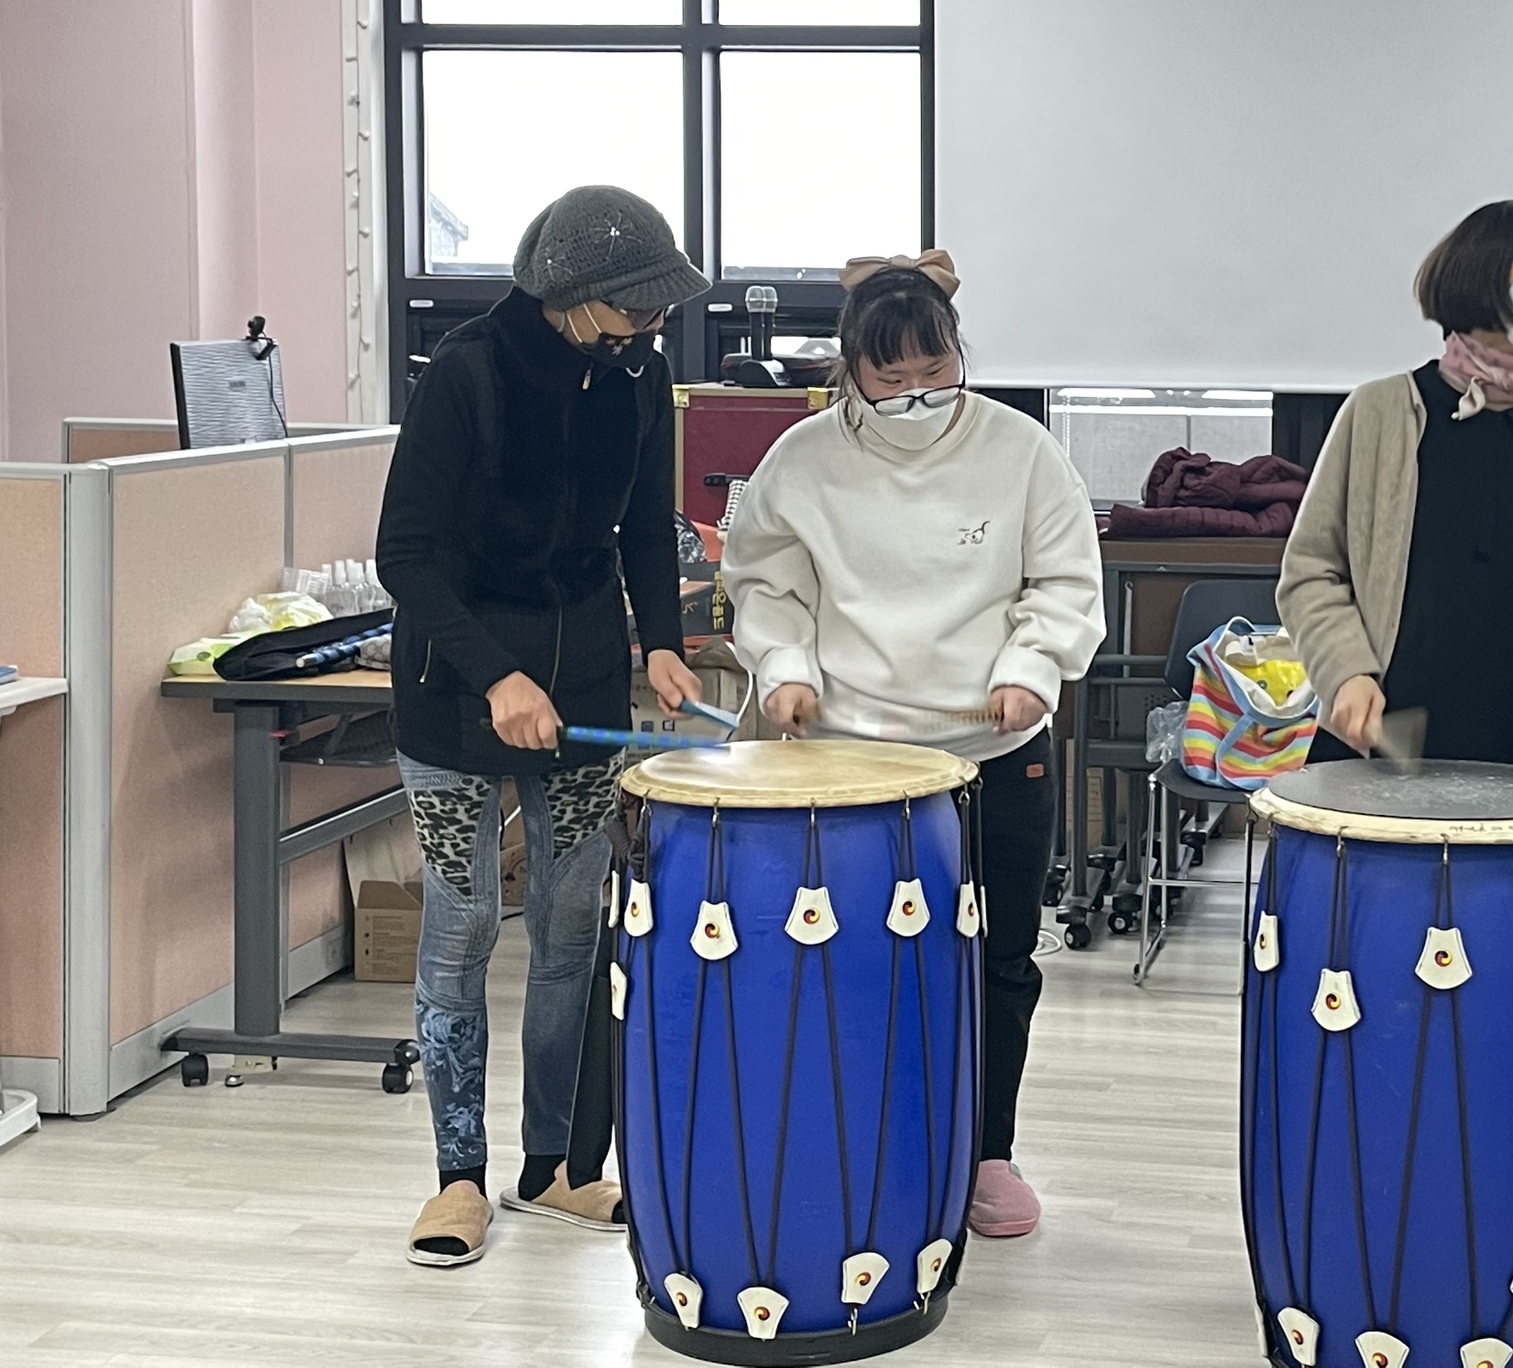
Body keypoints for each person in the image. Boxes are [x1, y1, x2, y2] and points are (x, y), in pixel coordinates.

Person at [720, 250, 1104, 1239]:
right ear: (848, 369)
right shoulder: (801, 460)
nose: (917, 394)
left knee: (1000, 958)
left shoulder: (1021, 451)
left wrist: (1032, 666)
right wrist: (785, 667)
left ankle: (987, 1152)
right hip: (850, 758)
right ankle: (864, 1141)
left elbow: (1064, 580)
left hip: (994, 747)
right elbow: (765, 583)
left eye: (936, 370)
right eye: (890, 378)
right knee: (850, 959)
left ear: (959, 353)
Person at [376, 184, 709, 1268]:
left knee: (570, 931)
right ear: (570, 295)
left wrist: (661, 641)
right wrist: (497, 677)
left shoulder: (639, 374)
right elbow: (404, 554)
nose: (652, 323)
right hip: (456, 688)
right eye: (636, 305)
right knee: (463, 928)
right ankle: (457, 1178)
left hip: (584, 687)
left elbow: (645, 530)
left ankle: (553, 1165)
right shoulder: (465, 374)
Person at [1279, 200, 1513, 767]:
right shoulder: (1377, 413)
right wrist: (1345, 672)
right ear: (1482, 273)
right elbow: (1312, 569)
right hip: (1371, 754)